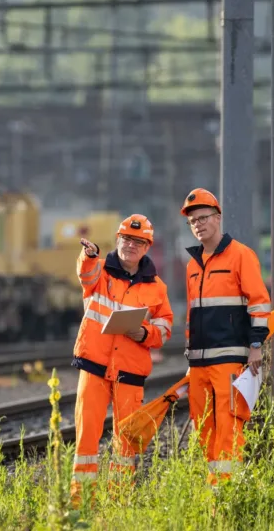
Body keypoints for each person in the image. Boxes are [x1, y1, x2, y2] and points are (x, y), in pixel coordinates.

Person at [71, 214, 174, 507]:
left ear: (147, 247)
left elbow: (165, 328)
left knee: (126, 443)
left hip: (130, 370)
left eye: (139, 241)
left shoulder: (158, 288)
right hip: (94, 365)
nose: (131, 245)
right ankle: (81, 504)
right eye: (127, 239)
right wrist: (89, 255)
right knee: (86, 441)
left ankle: (119, 501)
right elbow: (85, 276)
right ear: (118, 240)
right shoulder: (100, 271)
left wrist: (144, 333)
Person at [180, 188, 272, 484]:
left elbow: (259, 301)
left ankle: (227, 491)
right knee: (203, 425)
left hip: (230, 359)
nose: (198, 224)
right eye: (193, 221)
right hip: (199, 363)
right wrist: (189, 354)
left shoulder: (241, 255)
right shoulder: (193, 265)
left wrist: (256, 345)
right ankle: (214, 489)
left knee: (230, 425)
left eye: (203, 218)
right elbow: (192, 314)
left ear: (218, 219)